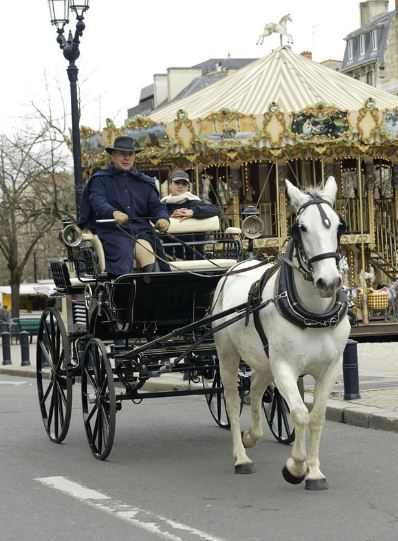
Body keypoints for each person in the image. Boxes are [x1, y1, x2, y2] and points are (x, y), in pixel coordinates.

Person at [78, 136, 170, 275]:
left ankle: (152, 292)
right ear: (113, 156)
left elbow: (156, 207)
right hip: (113, 232)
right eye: (122, 154)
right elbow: (98, 202)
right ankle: (121, 291)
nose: (127, 158)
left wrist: (162, 218)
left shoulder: (144, 182)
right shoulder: (100, 180)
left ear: (134, 157)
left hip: (142, 232)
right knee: (122, 254)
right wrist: (113, 213)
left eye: (130, 154)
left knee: (152, 255)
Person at [161, 169, 220, 259]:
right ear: (170, 184)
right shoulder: (163, 205)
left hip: (195, 255)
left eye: (184, 183)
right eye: (177, 182)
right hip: (169, 257)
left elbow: (215, 210)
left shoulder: (193, 202)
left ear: (187, 186)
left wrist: (192, 212)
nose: (180, 186)